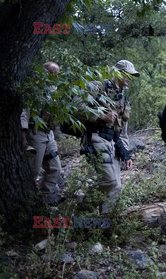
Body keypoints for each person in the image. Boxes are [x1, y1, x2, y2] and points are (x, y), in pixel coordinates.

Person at [75, 60, 138, 214]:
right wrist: (101, 116)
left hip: (113, 143)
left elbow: (122, 130)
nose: (130, 78)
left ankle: (105, 225)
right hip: (96, 138)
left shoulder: (123, 98)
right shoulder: (97, 86)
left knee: (116, 186)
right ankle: (82, 208)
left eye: (132, 75)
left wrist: (126, 153)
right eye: (127, 74)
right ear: (117, 73)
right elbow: (76, 106)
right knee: (108, 180)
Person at [20, 61, 65, 205]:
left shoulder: (55, 91)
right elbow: (24, 113)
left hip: (49, 134)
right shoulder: (35, 90)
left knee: (55, 168)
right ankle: (26, 203)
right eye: (52, 72)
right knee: (33, 170)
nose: (55, 76)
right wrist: (23, 135)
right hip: (35, 134)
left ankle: (44, 200)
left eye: (57, 73)